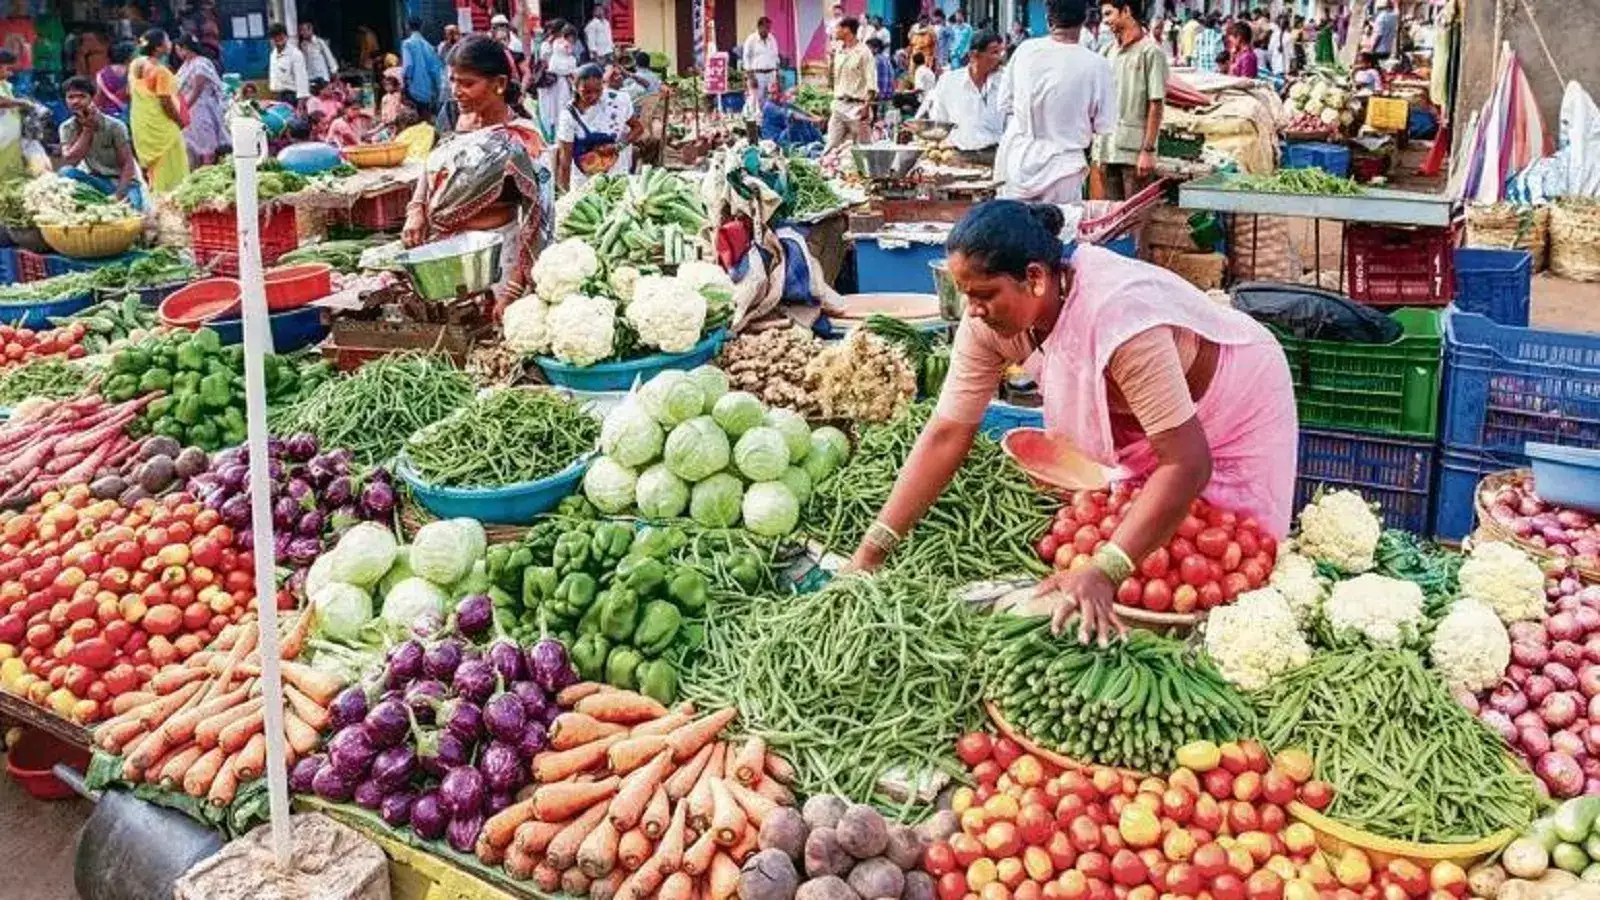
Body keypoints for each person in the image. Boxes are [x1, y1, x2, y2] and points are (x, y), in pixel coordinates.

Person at [846, 201, 1297, 642]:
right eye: (966, 294)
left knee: (1237, 560)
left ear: (1036, 279)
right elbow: (947, 433)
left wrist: (1104, 569)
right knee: (1154, 539)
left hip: (1234, 401)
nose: (973, 310)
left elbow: (1186, 463)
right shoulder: (987, 324)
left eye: (984, 294)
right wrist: (871, 551)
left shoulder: (1118, 316)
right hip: (1149, 425)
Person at [403, 34, 547, 311]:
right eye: (453, 81)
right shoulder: (453, 116)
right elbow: (432, 161)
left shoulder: (523, 138)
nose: (456, 91)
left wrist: (514, 288)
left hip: (497, 259)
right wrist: (417, 209)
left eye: (468, 83)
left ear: (500, 84)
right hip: (446, 254)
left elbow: (540, 216)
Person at [994, 0, 1113, 203]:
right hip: (1063, 169)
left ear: (1049, 20)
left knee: (1013, 230)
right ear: (1084, 20)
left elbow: (1004, 104)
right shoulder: (1097, 65)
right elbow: (1104, 125)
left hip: (1017, 163)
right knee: (1057, 231)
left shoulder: (1024, 51)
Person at [919, 29, 1005, 159]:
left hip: (997, 155)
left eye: (1000, 52)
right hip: (957, 156)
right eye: (994, 52)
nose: (1000, 57)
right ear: (974, 55)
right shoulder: (949, 82)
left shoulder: (1005, 82)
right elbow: (939, 121)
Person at [57, 76, 140, 207]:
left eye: (81, 96)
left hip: (121, 183)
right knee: (65, 173)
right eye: (71, 97)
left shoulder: (115, 126)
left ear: (92, 99)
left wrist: (119, 195)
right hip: (95, 181)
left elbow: (128, 165)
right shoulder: (66, 127)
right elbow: (70, 160)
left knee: (133, 210)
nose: (76, 101)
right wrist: (88, 129)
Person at [556, 63, 640, 191]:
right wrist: (564, 194)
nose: (593, 96)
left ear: (603, 85)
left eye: (598, 90)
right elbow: (565, 161)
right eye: (587, 92)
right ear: (576, 87)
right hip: (584, 182)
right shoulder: (568, 116)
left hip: (616, 178)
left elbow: (638, 128)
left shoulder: (617, 102)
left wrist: (618, 146)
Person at [128, 29, 189, 192]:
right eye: (167, 40)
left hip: (143, 124)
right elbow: (166, 102)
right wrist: (179, 121)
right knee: (172, 169)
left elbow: (132, 92)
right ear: (159, 48)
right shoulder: (161, 72)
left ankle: (156, 200)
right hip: (162, 127)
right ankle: (167, 202)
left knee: (154, 170)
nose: (171, 44)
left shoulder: (135, 65)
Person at [175, 35, 227, 167]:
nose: (177, 53)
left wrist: (184, 108)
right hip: (189, 110)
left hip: (201, 109)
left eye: (178, 50)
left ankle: (207, 171)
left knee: (207, 146)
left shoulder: (201, 63)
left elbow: (197, 90)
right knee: (192, 146)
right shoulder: (185, 65)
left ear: (185, 48)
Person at [825, 17, 875, 150]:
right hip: (839, 105)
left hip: (857, 107)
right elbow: (832, 79)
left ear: (847, 30)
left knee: (863, 149)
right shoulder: (838, 51)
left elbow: (871, 83)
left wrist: (866, 106)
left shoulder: (864, 52)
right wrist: (830, 60)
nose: (835, 31)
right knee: (831, 147)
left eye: (837, 28)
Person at [537, 22, 579, 137]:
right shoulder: (554, 47)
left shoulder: (554, 46)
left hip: (557, 82)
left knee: (556, 109)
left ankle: (557, 134)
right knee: (558, 109)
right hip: (556, 82)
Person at [400, 17, 446, 121]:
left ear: (407, 26)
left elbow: (408, 66)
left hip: (412, 87)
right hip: (427, 88)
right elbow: (436, 69)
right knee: (426, 116)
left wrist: (404, 82)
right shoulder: (428, 45)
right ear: (421, 27)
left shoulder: (407, 44)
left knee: (412, 117)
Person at [743, 17, 781, 114]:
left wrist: (777, 75)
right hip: (757, 74)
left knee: (770, 99)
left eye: (769, 28)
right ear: (759, 27)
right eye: (766, 28)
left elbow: (775, 57)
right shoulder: (751, 40)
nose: (767, 30)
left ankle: (766, 120)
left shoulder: (772, 39)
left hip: (771, 73)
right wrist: (751, 77)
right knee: (755, 99)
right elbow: (746, 58)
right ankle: (752, 121)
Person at [268, 23, 309, 104]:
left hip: (292, 96)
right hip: (278, 95)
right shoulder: (273, 54)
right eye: (275, 36)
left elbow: (301, 77)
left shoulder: (295, 53)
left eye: (281, 35)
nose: (278, 38)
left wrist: (301, 100)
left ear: (286, 36)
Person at [96, 42, 133, 119]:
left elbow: (99, 96)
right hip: (130, 113)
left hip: (109, 114)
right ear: (129, 57)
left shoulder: (101, 74)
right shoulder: (132, 72)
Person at [908, 15, 937, 83]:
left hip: (926, 55)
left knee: (924, 73)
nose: (923, 22)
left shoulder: (931, 30)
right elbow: (910, 42)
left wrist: (933, 56)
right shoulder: (914, 29)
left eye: (925, 20)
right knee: (912, 71)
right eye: (922, 20)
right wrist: (909, 53)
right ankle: (913, 87)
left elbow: (934, 43)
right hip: (915, 53)